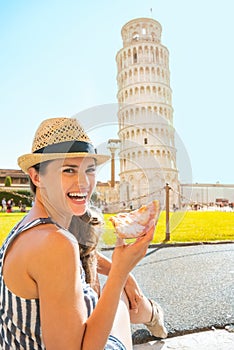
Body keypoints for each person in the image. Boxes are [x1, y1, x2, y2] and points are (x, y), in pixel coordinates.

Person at [0, 117, 167, 349]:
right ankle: (153, 315)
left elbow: (74, 259)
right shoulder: (56, 244)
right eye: (68, 170)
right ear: (37, 177)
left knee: (114, 296)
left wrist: (123, 275)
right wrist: (120, 272)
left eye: (89, 170)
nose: (83, 182)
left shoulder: (28, 228)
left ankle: (153, 314)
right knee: (118, 302)